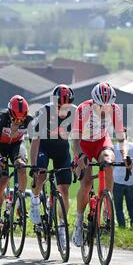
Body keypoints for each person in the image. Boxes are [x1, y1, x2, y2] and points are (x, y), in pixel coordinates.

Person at [71, 82, 131, 247]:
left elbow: (121, 138)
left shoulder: (115, 110)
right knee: (86, 182)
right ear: (93, 102)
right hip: (82, 144)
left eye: (107, 106)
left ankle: (106, 204)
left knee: (108, 161)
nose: (103, 110)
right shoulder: (82, 109)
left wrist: (125, 155)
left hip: (101, 141)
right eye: (99, 106)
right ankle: (78, 222)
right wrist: (81, 155)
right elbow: (74, 141)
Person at [29, 84, 77, 248]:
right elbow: (34, 140)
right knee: (41, 174)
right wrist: (34, 166)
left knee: (64, 190)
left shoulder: (75, 112)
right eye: (59, 106)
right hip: (43, 146)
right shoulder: (44, 111)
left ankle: (62, 227)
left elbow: (78, 140)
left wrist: (78, 159)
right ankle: (35, 200)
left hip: (61, 149)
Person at [0, 95, 33, 240]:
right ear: (10, 113)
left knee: (21, 167)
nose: (18, 121)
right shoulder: (2, 117)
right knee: (2, 182)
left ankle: (20, 201)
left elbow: (35, 144)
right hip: (1, 147)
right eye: (15, 119)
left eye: (21, 119)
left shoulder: (29, 120)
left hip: (16, 145)